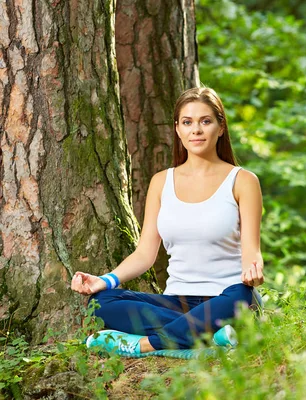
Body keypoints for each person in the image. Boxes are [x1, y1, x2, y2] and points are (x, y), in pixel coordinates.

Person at [70, 87, 265, 358]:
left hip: (225, 298)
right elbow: (145, 254)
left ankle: (144, 346)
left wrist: (253, 270)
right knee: (101, 302)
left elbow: (251, 250)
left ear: (221, 128)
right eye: (187, 122)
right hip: (175, 302)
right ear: (177, 129)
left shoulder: (243, 181)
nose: (196, 130)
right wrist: (105, 280)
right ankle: (208, 338)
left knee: (243, 297)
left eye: (205, 121)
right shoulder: (161, 182)